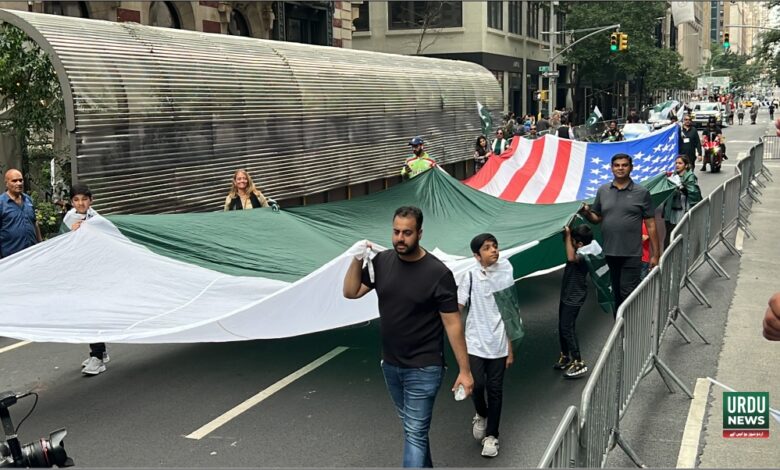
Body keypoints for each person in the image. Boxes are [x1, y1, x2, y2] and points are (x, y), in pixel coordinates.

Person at [342, 206, 473, 468]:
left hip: (424, 368)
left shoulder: (438, 274)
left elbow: (453, 325)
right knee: (415, 431)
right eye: (396, 232)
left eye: (407, 233)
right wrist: (356, 258)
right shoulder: (382, 262)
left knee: (414, 433)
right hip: (390, 365)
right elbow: (351, 291)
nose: (400, 238)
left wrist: (465, 370)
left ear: (420, 233)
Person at [458, 233, 523, 458]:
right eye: (487, 248)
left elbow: (510, 311)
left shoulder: (505, 270)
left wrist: (510, 348)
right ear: (477, 255)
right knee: (476, 386)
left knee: (495, 390)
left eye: (495, 246)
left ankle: (492, 436)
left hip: (498, 343)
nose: (494, 250)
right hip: (475, 341)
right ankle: (480, 414)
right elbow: (457, 306)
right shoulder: (470, 275)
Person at [578, 154, 660, 313]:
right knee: (616, 293)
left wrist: (656, 254)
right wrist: (587, 213)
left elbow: (651, 225)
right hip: (610, 252)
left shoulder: (641, 192)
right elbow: (597, 219)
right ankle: (619, 330)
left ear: (631, 168)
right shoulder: (603, 191)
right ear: (611, 168)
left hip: (632, 253)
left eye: (624, 165)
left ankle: (631, 329)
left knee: (627, 293)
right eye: (617, 165)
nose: (620, 168)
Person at [61, 184, 110, 376]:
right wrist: (70, 233)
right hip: (77, 274)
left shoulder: (97, 220)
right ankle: (101, 352)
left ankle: (97, 356)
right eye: (76, 200)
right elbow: (60, 243)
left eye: (84, 199)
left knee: (93, 314)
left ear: (91, 200)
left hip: (95, 275)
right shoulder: (68, 219)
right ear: (71, 202)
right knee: (86, 314)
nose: (80, 203)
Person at [554, 225, 593, 379]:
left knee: (567, 328)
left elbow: (571, 257)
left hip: (574, 297)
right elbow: (569, 246)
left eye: (573, 241)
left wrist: (569, 234)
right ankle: (565, 356)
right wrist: (567, 233)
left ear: (580, 244)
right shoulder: (581, 248)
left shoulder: (585, 254)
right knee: (562, 326)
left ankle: (578, 362)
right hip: (567, 295)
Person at [0, 169, 42, 259]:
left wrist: (40, 244)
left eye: (20, 180)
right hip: (11, 257)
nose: (19, 183)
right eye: (14, 181)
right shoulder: (1, 203)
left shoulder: (28, 199)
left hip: (33, 253)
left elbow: (35, 223)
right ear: (6, 183)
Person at [663, 155, 702, 247]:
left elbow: (694, 194)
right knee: (669, 233)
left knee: (681, 233)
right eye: (676, 163)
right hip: (671, 210)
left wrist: (682, 188)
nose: (677, 165)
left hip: (683, 210)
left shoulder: (690, 177)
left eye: (680, 163)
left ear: (686, 165)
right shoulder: (673, 175)